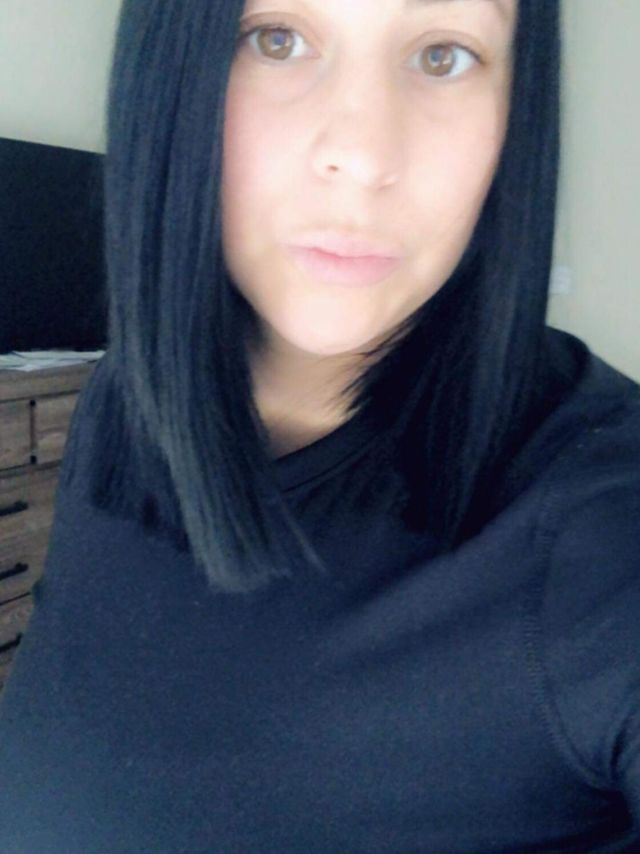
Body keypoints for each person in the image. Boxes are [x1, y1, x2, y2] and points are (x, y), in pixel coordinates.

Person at [0, 0, 638, 850]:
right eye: (278, 38)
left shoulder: (602, 528)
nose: (364, 154)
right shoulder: (124, 404)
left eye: (444, 54)